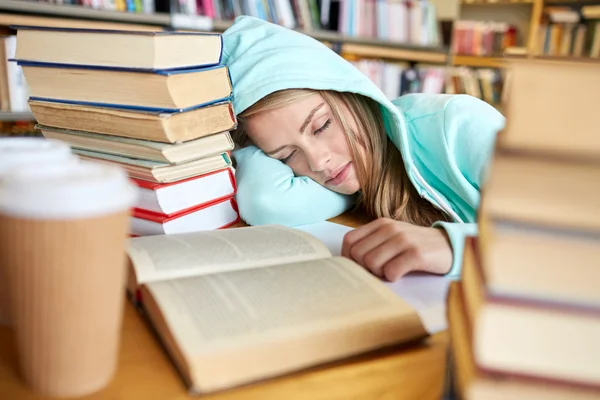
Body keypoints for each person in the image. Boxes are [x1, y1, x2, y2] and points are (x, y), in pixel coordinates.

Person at [222, 16, 506, 281]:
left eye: (322, 126)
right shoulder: (352, 177)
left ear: (352, 92)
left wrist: (455, 245)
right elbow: (264, 201)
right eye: (287, 155)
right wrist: (235, 145)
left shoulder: (457, 122)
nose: (319, 162)